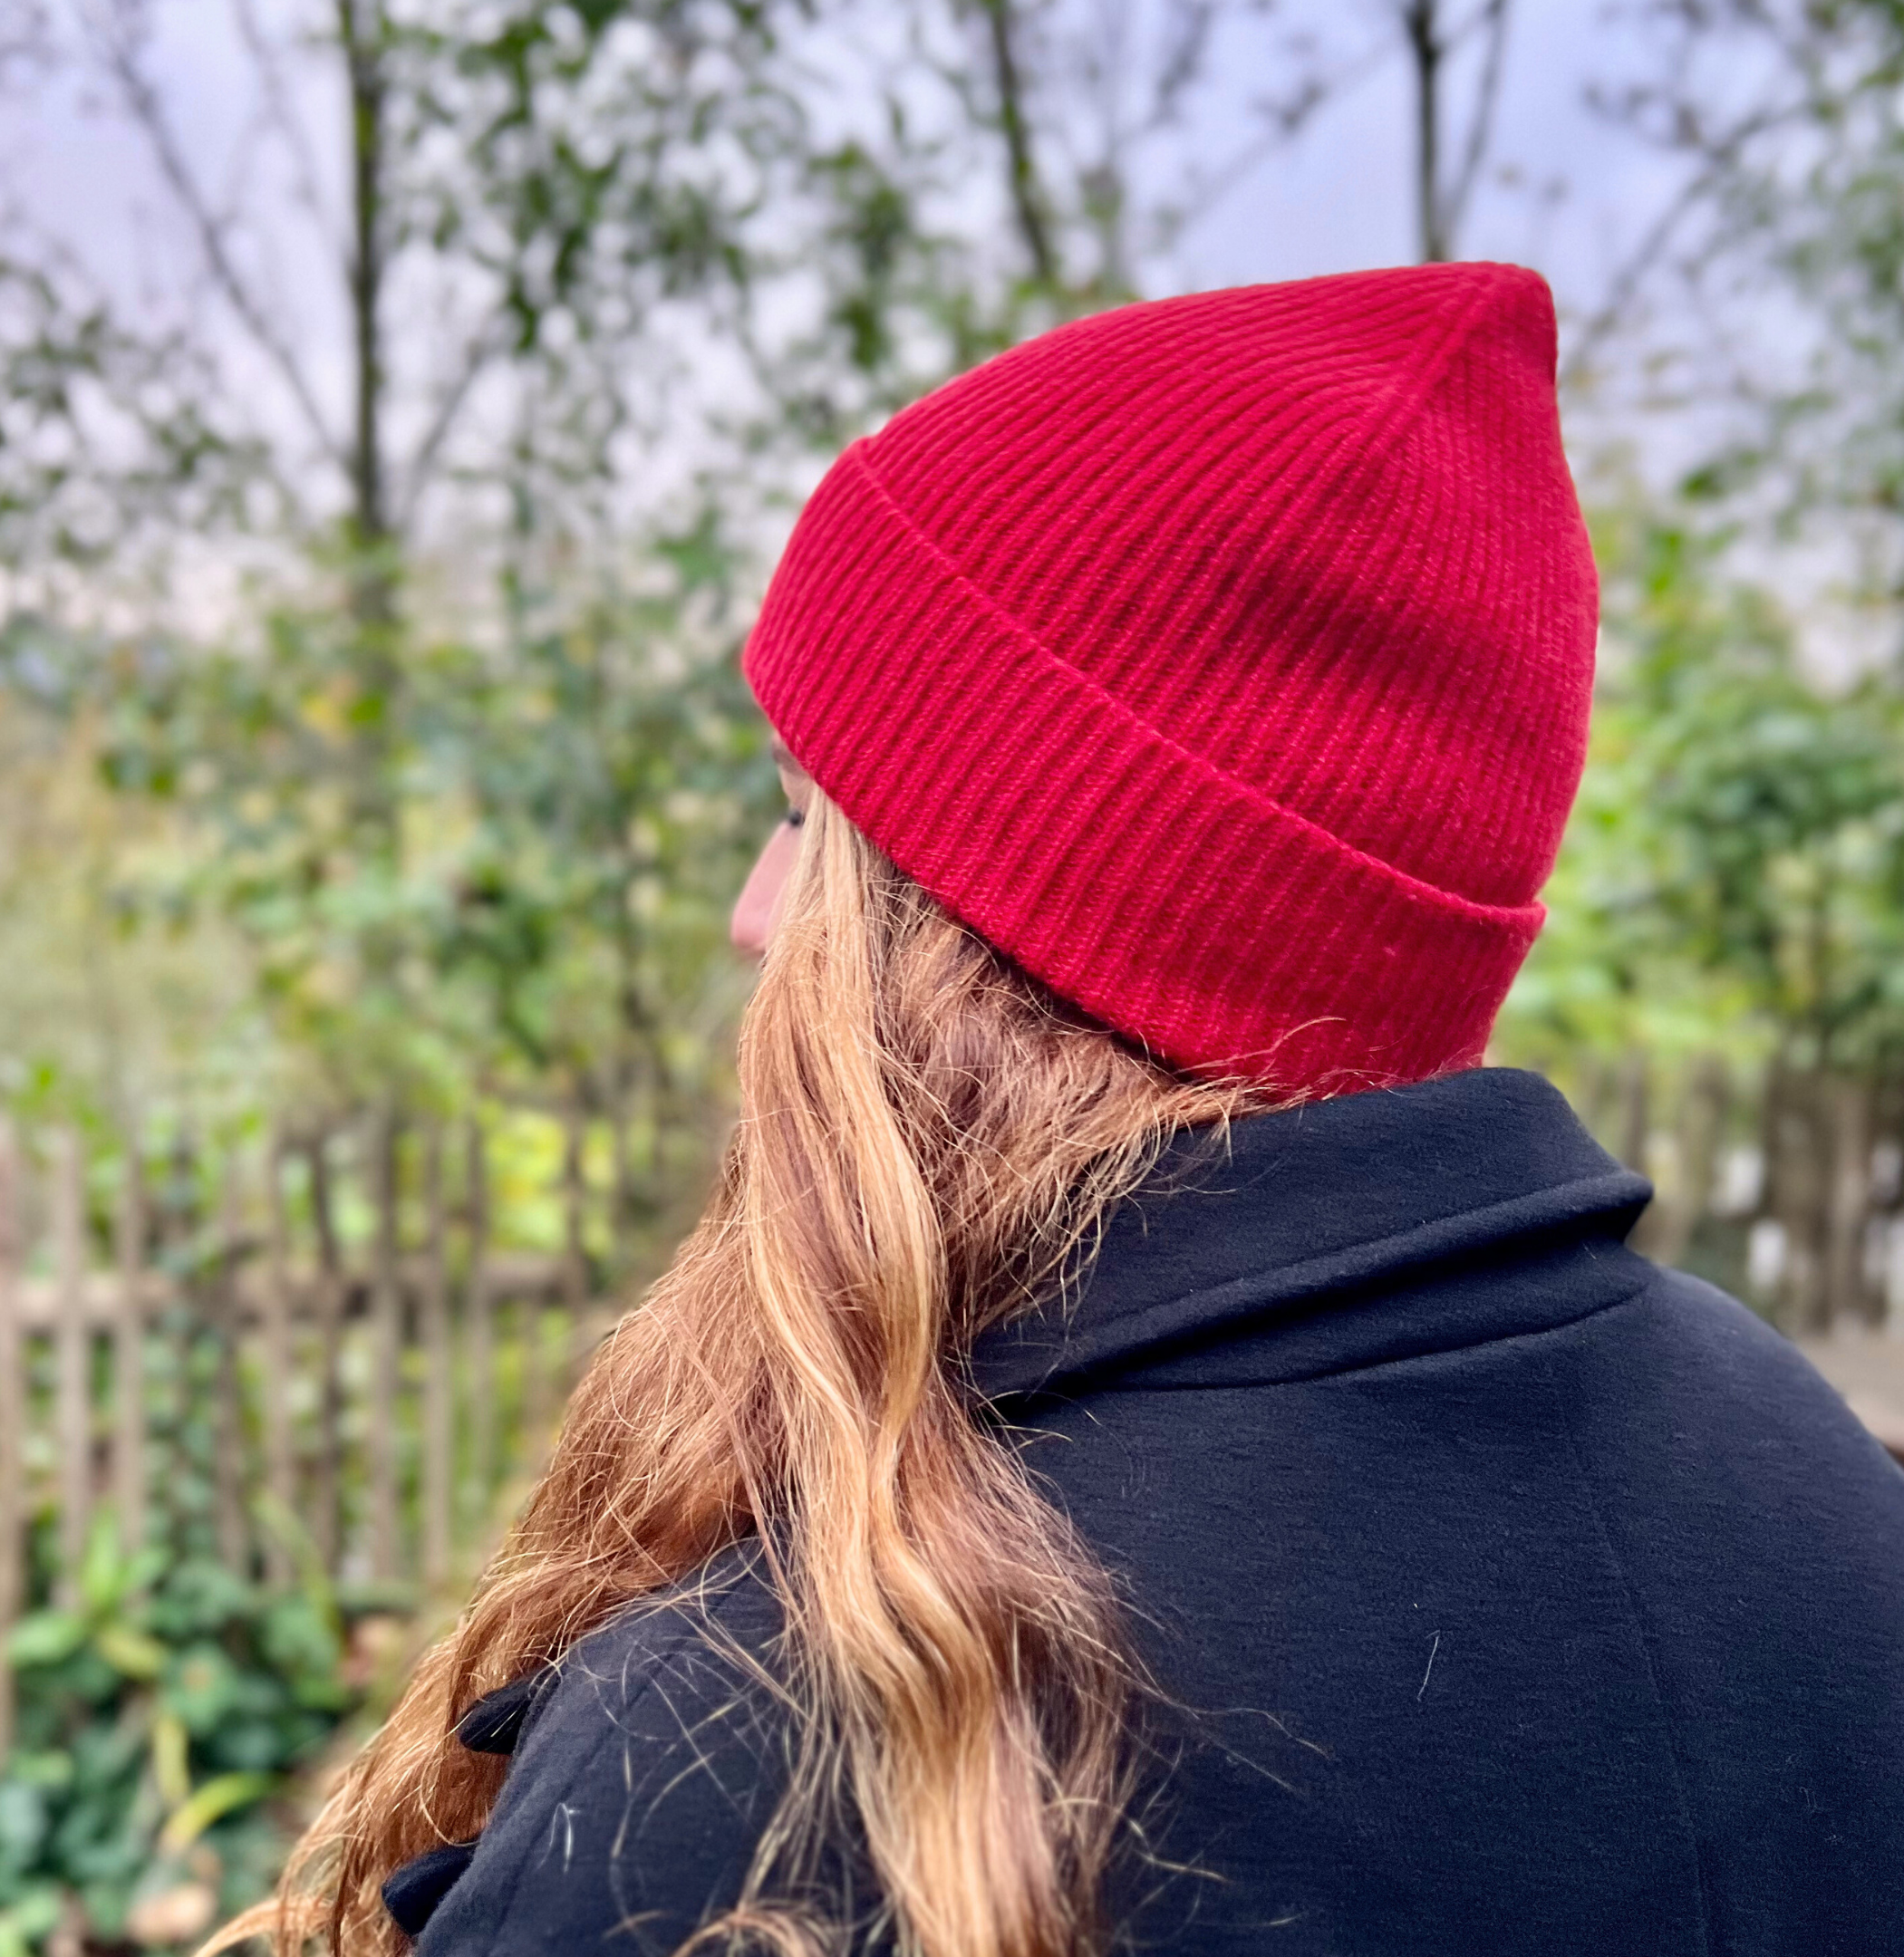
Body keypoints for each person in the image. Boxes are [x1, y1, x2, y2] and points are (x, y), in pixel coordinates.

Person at [255, 264, 1904, 1957]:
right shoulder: (1817, 1493)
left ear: (1002, 913)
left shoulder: (765, 1778)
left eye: (808, 815)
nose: (761, 906)